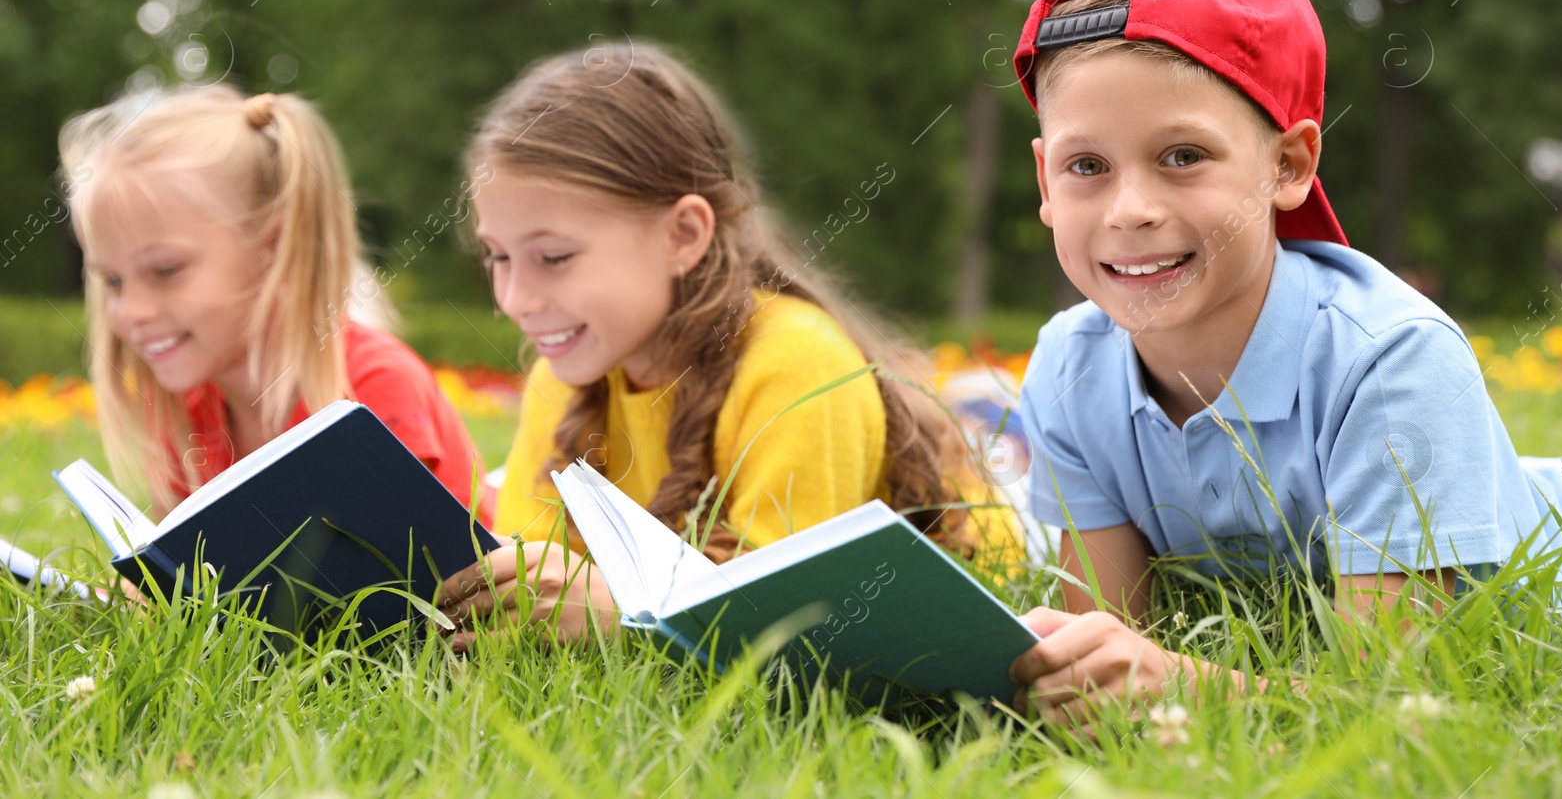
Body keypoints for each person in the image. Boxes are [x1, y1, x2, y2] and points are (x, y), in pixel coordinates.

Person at [1001, 0, 1562, 722]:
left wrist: (1179, 685)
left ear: (1289, 165)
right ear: (1045, 176)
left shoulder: (1391, 361)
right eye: (1087, 167)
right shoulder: (1068, 369)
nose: (1131, 210)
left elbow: (1399, 701)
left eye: (1183, 156)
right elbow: (1102, 643)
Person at [437, 43, 1017, 646]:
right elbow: (531, 588)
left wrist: (623, 619)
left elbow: (792, 632)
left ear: (683, 234)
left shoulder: (796, 362)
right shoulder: (561, 382)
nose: (514, 298)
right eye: (497, 257)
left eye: (553, 257)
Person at [59, 85, 489, 520]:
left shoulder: (373, 389)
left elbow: (414, 576)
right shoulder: (190, 417)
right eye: (112, 281)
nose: (131, 311)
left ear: (275, 247)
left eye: (165, 270)